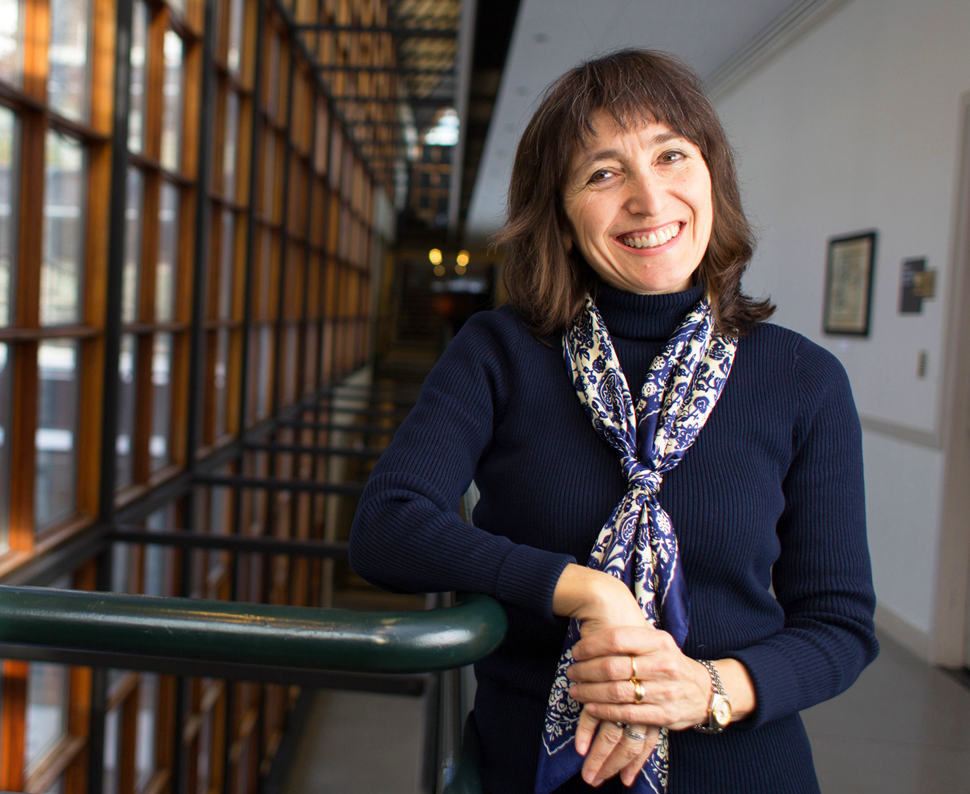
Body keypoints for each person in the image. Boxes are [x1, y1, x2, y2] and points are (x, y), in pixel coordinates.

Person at [349, 49, 877, 794]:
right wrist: (586, 590)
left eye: (671, 155)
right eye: (603, 173)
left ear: (711, 179)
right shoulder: (500, 352)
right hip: (535, 768)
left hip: (738, 769)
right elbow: (386, 525)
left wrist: (708, 687)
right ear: (560, 216)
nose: (648, 198)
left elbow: (839, 625)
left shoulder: (802, 378)